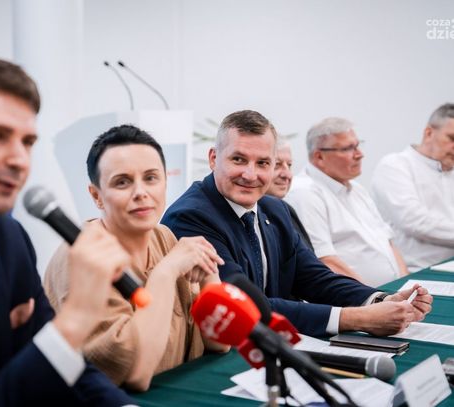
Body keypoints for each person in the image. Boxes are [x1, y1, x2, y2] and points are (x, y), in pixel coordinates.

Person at [0, 52, 135, 405]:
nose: (19, 159)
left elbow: (64, 366)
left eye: (27, 142)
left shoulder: (9, 237)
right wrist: (75, 319)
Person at [162, 110, 432, 337]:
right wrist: (357, 319)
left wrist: (378, 299)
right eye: (238, 159)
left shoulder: (275, 208)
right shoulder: (191, 216)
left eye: (263, 163)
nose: (250, 174)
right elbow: (242, 304)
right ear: (213, 158)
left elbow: (313, 277)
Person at [44, 125, 228, 391]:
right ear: (96, 196)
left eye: (151, 178)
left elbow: (219, 342)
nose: (141, 192)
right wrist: (165, 272)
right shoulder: (81, 256)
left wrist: (210, 271)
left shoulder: (163, 236)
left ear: (166, 182)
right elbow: (134, 375)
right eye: (122, 182)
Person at [285, 117, 409, 287]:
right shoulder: (304, 193)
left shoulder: (357, 188)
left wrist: (405, 281)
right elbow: (325, 261)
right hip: (359, 297)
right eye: (348, 148)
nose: (359, 154)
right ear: (319, 156)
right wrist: (374, 296)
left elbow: (388, 242)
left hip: (393, 291)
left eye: (358, 145)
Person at [371, 103, 454, 272]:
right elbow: (415, 221)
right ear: (428, 133)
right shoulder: (395, 165)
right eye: (452, 138)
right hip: (417, 271)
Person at [265, 139, 314, 251]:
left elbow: (306, 257)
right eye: (277, 165)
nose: (287, 175)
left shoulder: (285, 209)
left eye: (289, 165)